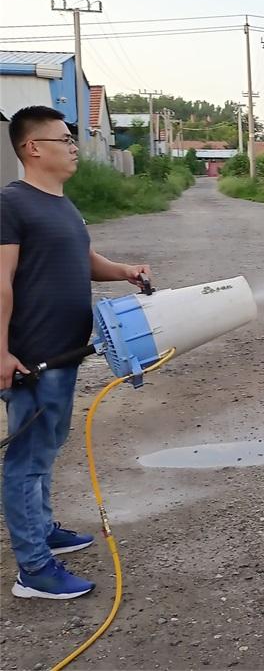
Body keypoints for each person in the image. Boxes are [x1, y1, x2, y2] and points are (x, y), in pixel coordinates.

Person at [1, 105, 151, 600]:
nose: (73, 146)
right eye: (63, 139)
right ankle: (34, 571)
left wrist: (124, 269)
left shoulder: (61, 203)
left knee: (45, 449)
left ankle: (42, 532)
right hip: (31, 356)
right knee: (27, 458)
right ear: (31, 148)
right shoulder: (11, 204)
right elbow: (0, 282)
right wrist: (1, 351)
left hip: (63, 354)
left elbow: (83, 261)